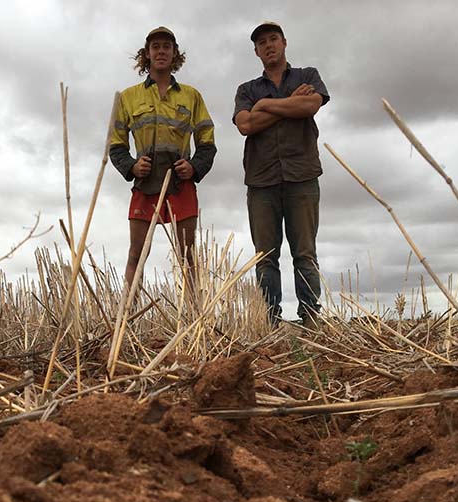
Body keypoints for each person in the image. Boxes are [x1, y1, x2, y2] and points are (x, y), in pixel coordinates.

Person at [233, 21, 330, 329]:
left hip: (302, 176)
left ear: (284, 42)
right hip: (261, 181)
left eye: (273, 39)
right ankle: (269, 323)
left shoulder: (307, 76)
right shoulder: (247, 90)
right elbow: (245, 125)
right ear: (256, 51)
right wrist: (289, 104)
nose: (269, 45)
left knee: (304, 253)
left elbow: (311, 104)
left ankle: (311, 319)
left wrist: (265, 106)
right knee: (265, 257)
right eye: (262, 43)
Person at [109, 26, 216, 284]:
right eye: (155, 47)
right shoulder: (128, 97)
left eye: (166, 47)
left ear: (174, 53)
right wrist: (132, 167)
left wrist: (194, 167)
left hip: (181, 183)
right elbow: (116, 145)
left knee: (188, 257)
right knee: (136, 254)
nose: (161, 51)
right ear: (147, 53)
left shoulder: (192, 96)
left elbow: (207, 143)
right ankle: (126, 317)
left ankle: (194, 318)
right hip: (145, 183)